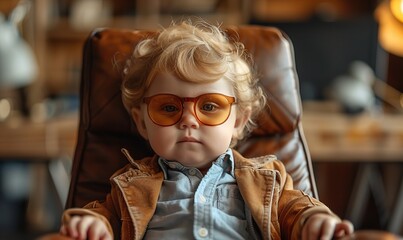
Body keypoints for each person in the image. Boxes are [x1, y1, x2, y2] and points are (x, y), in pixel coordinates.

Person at [60, 20, 354, 240]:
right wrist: (93, 224)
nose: (189, 120)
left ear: (238, 121)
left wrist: (313, 220)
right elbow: (104, 216)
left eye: (210, 106)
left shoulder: (268, 179)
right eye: (169, 107)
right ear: (141, 122)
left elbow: (296, 210)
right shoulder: (129, 184)